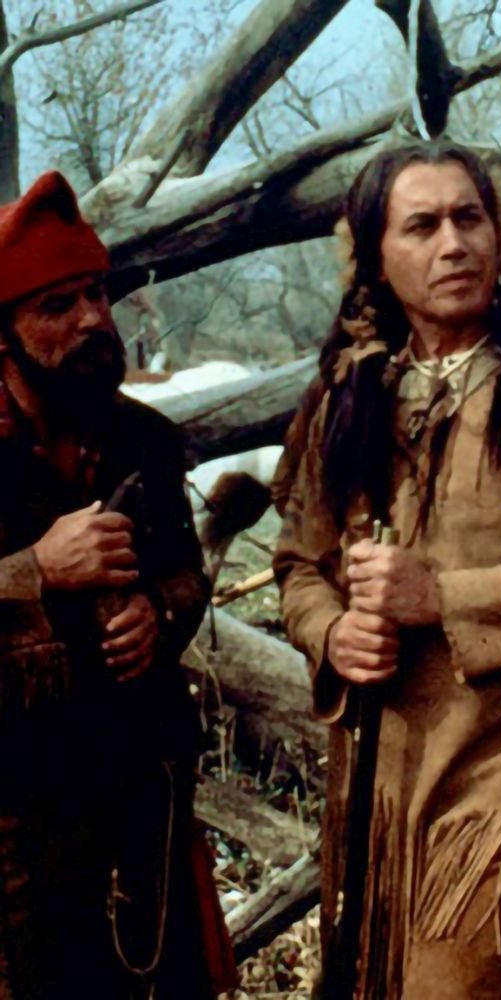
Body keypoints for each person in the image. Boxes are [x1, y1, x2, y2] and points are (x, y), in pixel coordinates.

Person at [273, 142, 501, 998]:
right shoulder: (347, 394)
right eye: (421, 226)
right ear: (375, 259)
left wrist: (445, 596)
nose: (454, 244)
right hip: (380, 794)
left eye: (470, 219)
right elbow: (300, 564)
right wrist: (331, 632)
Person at [0, 173, 226, 997]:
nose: (93, 320)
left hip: (136, 805)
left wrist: (158, 612)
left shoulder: (145, 440)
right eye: (57, 305)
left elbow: (185, 572)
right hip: (13, 826)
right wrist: (36, 569)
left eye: (97, 294)